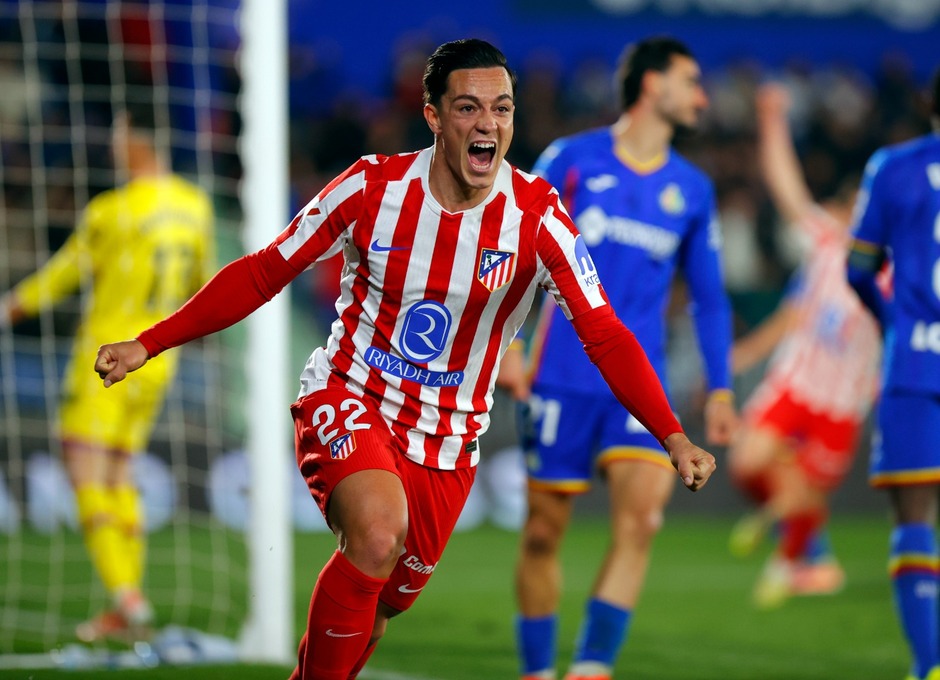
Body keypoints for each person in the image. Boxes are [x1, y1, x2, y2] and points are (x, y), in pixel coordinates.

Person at [93, 39, 717, 680]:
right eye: (469, 107)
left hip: (448, 440)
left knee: (383, 604)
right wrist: (151, 341)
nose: (487, 124)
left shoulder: (537, 218)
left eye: (501, 109)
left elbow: (605, 333)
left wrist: (670, 433)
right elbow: (264, 272)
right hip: (350, 393)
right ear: (434, 116)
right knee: (375, 534)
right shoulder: (370, 188)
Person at [496, 37, 736, 680]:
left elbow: (710, 301)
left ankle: (591, 667)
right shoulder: (570, 161)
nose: (702, 96)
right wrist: (511, 345)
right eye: (691, 80)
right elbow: (517, 257)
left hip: (641, 382)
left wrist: (720, 388)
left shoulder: (693, 190)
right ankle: (537, 671)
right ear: (653, 85)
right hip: (560, 375)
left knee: (643, 519)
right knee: (544, 532)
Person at [0, 100, 215, 641]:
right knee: (119, 475)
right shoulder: (195, 206)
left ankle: (126, 595)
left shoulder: (112, 210)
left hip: (106, 359)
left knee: (85, 468)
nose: (114, 146)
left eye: (120, 136)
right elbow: (203, 285)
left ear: (138, 142)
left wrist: (8, 309)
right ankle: (128, 603)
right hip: (157, 360)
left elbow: (61, 276)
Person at [726, 83, 881, 608]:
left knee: (806, 493)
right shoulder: (828, 242)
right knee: (748, 463)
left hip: (844, 402)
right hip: (797, 382)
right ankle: (796, 534)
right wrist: (771, 119)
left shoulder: (900, 271)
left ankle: (796, 560)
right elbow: (788, 189)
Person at [846, 68, 940, 680]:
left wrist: (895, 324)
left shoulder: (895, 167)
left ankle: (929, 664)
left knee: (914, 521)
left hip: (915, 361)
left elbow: (857, 268)